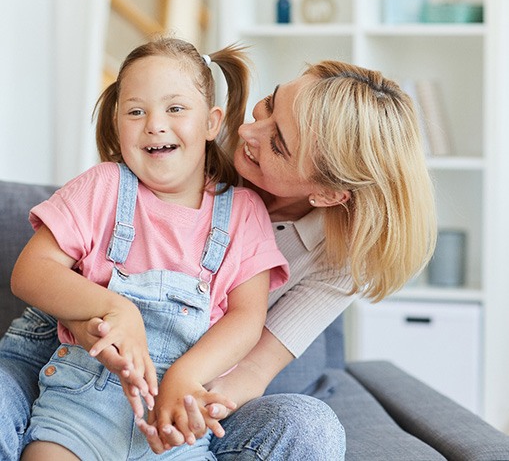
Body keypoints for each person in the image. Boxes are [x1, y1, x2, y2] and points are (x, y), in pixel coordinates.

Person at [0, 56, 436, 460]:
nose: (246, 131)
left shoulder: (321, 252)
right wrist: (104, 317)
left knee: (313, 428)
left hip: (193, 375)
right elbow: (62, 261)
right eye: (268, 104)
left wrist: (187, 401)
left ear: (327, 193)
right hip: (75, 342)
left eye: (279, 143)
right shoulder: (184, 133)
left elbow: (252, 361)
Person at [9, 36, 289, 460]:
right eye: (136, 111)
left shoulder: (243, 212)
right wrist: (119, 309)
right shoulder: (102, 186)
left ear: (212, 123)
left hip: (176, 423)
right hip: (78, 410)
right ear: (117, 123)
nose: (155, 124)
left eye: (175, 108)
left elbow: (248, 317)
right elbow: (30, 272)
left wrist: (186, 374)